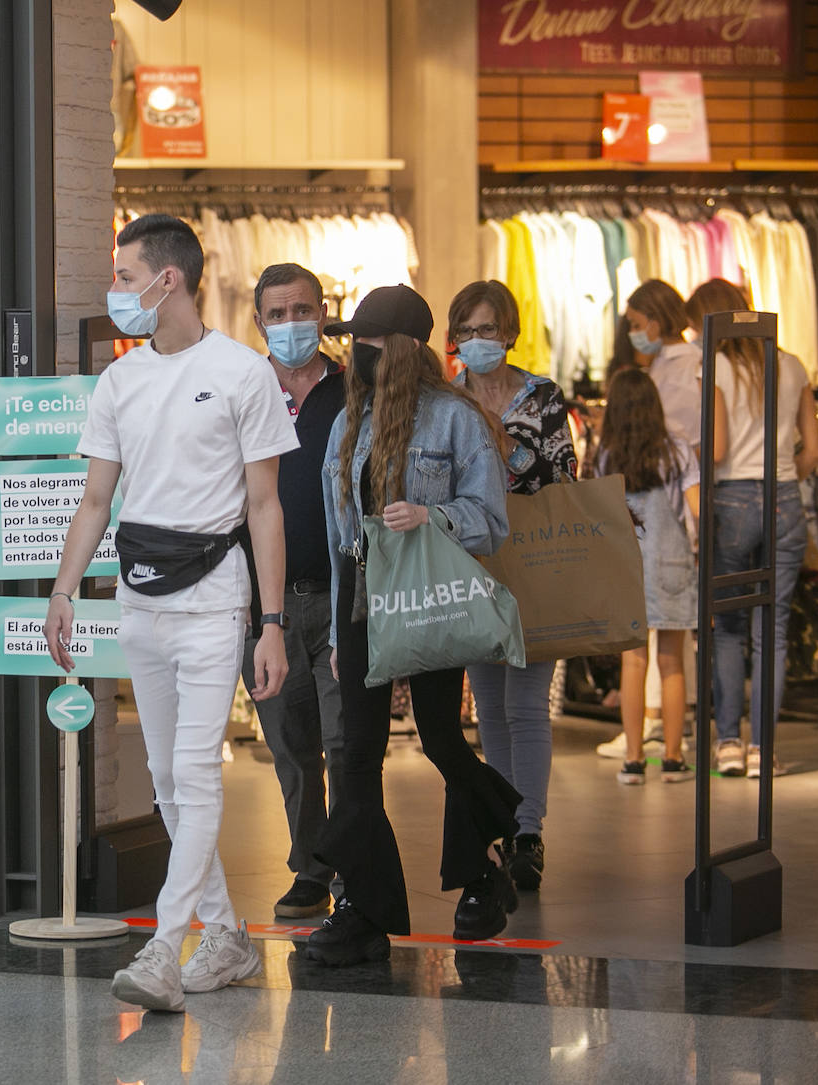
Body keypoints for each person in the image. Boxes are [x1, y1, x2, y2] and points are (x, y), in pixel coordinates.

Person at [44, 214, 297, 1012]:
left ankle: (165, 945)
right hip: (138, 597)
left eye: (123, 277)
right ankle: (226, 934)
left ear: (168, 280)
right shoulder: (120, 381)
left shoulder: (241, 373)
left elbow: (265, 507)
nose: (113, 291)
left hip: (215, 598)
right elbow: (94, 499)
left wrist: (273, 619)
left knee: (193, 771)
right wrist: (62, 588)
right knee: (165, 781)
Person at [308, 284, 521, 967]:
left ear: (397, 349)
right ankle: (364, 910)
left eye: (366, 345)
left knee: (439, 738)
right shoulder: (349, 423)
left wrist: (433, 517)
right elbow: (343, 539)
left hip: (429, 592)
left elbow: (491, 522)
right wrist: (342, 635)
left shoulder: (455, 418)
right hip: (365, 599)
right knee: (356, 750)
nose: (355, 355)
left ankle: (486, 865)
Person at [450, 280, 576, 892]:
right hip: (473, 568)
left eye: (488, 329)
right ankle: (502, 822)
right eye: (467, 331)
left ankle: (529, 831)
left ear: (510, 333)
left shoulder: (542, 397)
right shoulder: (445, 400)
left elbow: (561, 480)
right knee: (490, 709)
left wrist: (502, 442)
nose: (478, 341)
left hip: (536, 564)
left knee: (526, 705)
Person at [685, 278, 818, 778]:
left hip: (733, 500)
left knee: (728, 631)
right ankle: (763, 750)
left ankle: (727, 744)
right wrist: (781, 482)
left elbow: (716, 448)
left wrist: (686, 454)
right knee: (774, 632)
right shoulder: (792, 365)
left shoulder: (714, 365)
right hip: (785, 498)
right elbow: (813, 450)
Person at [243, 262, 346, 918]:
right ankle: (310, 868)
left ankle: (354, 875)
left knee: (348, 744)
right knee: (292, 749)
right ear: (258, 322)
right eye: (276, 314)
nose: (290, 325)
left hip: (343, 599)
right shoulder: (241, 390)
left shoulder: (354, 388)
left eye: (301, 310)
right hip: (268, 608)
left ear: (324, 312)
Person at [594, 367, 700, 784]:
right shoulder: (675, 449)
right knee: (672, 663)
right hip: (672, 565)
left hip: (627, 564)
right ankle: (673, 759)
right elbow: (695, 507)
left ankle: (633, 759)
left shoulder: (608, 454)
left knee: (633, 661)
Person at [625, 279, 703, 454]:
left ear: (655, 324)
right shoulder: (664, 362)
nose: (632, 332)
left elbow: (673, 428)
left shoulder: (685, 365)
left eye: (637, 325)